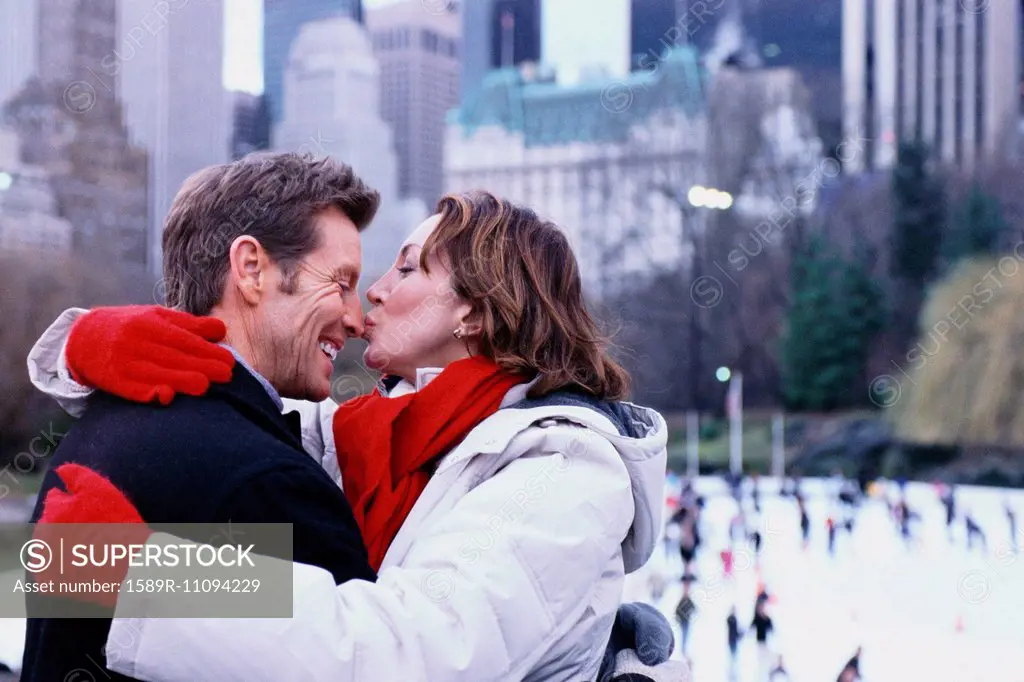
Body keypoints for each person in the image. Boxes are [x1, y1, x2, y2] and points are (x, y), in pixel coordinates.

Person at [28, 184, 676, 681]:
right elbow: (232, 403)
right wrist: (89, 340)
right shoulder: (380, 432)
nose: (373, 292)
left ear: (475, 311)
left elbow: (407, 656)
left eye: (408, 269)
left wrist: (146, 578)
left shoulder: (561, 471)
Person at [22, 152, 382, 682]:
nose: (355, 318)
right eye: (341, 282)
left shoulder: (98, 426)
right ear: (252, 269)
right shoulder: (265, 482)